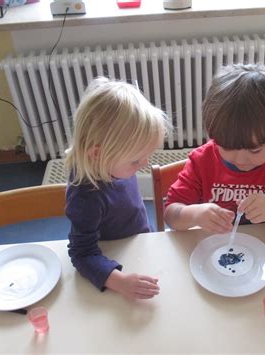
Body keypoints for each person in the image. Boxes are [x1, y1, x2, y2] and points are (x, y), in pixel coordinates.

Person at [164, 64, 265, 243]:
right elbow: (170, 215)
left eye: (255, 150)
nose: (241, 160)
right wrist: (195, 214)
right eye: (227, 147)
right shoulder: (201, 161)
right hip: (212, 250)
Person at [65, 77, 167, 299]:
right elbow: (81, 254)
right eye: (136, 160)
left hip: (138, 240)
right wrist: (119, 282)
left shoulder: (114, 164)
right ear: (98, 154)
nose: (145, 164)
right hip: (115, 255)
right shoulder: (85, 197)